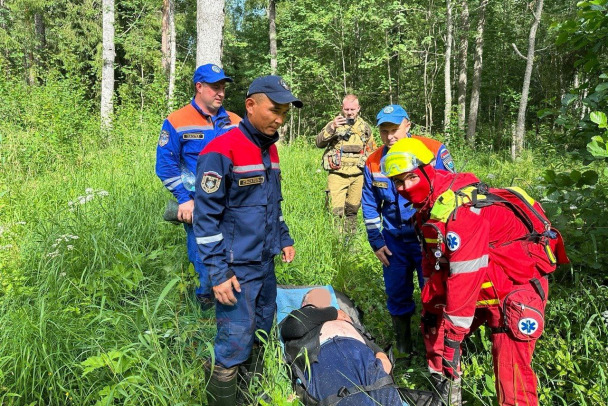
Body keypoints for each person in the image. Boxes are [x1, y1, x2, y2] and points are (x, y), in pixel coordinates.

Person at [380, 138, 567, 406]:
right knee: (436, 329)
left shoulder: (462, 211)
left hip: (514, 288)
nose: (404, 188)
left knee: (511, 375)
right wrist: (433, 313)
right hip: (483, 285)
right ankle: (444, 394)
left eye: (409, 178)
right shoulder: (432, 207)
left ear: (427, 170)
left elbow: (466, 275)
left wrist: (455, 337)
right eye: (397, 183)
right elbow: (433, 264)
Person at [193, 75, 301, 405]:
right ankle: (224, 397)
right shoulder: (220, 150)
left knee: (260, 331)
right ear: (250, 105)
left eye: (285, 111)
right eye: (274, 110)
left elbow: (272, 203)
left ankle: (248, 392)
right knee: (233, 340)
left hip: (264, 263)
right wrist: (218, 273)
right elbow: (205, 218)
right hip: (235, 269)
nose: (280, 118)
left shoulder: (271, 149)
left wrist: (283, 237)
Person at [361, 105, 455, 357]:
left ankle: (434, 350)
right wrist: (376, 241)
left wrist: (442, 238)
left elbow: (450, 193)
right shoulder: (373, 161)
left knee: (434, 292)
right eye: (384, 131)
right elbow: (370, 204)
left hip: (427, 238)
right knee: (397, 292)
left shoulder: (433, 151)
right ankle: (404, 349)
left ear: (408, 126)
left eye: (395, 130)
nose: (390, 136)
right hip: (393, 241)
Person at [155, 64, 240, 308]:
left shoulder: (235, 122)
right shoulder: (177, 121)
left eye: (223, 87)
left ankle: (233, 304)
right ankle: (205, 306)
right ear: (199, 87)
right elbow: (165, 165)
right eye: (215, 87)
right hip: (199, 206)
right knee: (203, 257)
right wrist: (183, 199)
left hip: (233, 204)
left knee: (235, 254)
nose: (220, 93)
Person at [280, 288, 403, 406]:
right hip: (327, 356)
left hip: (364, 355)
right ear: (304, 304)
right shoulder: (300, 317)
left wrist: (380, 353)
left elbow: (368, 340)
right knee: (349, 399)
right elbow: (295, 326)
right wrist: (332, 313)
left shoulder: (344, 317)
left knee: (388, 398)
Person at [316, 94, 375, 234]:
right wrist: (332, 127)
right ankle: (336, 240)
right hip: (337, 174)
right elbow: (319, 142)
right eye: (347, 109)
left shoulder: (365, 127)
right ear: (342, 108)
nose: (349, 112)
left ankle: (350, 242)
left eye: (352, 109)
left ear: (358, 109)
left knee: (353, 210)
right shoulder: (334, 124)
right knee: (335, 211)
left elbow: (371, 150)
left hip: (357, 175)